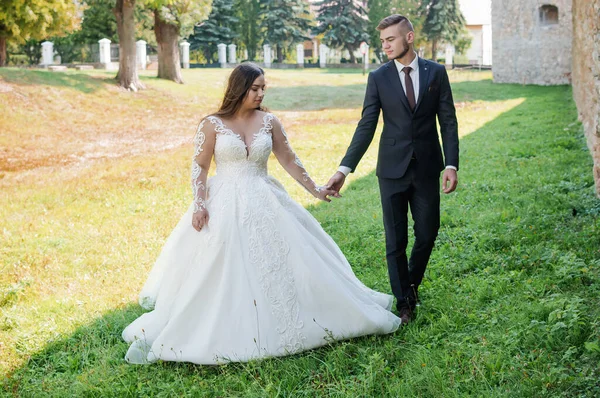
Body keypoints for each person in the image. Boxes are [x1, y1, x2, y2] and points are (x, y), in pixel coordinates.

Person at [122, 62, 401, 365]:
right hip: (224, 202)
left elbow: (290, 160)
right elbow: (200, 166)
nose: (260, 93)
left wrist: (316, 190)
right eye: (255, 88)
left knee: (288, 258)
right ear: (239, 88)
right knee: (219, 263)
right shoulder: (212, 124)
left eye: (263, 87)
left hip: (264, 197)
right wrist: (200, 203)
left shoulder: (269, 122)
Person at [327, 15, 460, 325]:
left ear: (409, 38)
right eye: (382, 40)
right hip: (391, 171)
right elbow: (367, 125)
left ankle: (410, 284)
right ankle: (404, 302)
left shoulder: (436, 73)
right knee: (395, 240)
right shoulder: (379, 78)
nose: (384, 45)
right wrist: (344, 169)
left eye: (390, 39)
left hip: (427, 168)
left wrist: (451, 164)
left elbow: (448, 121)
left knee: (427, 233)